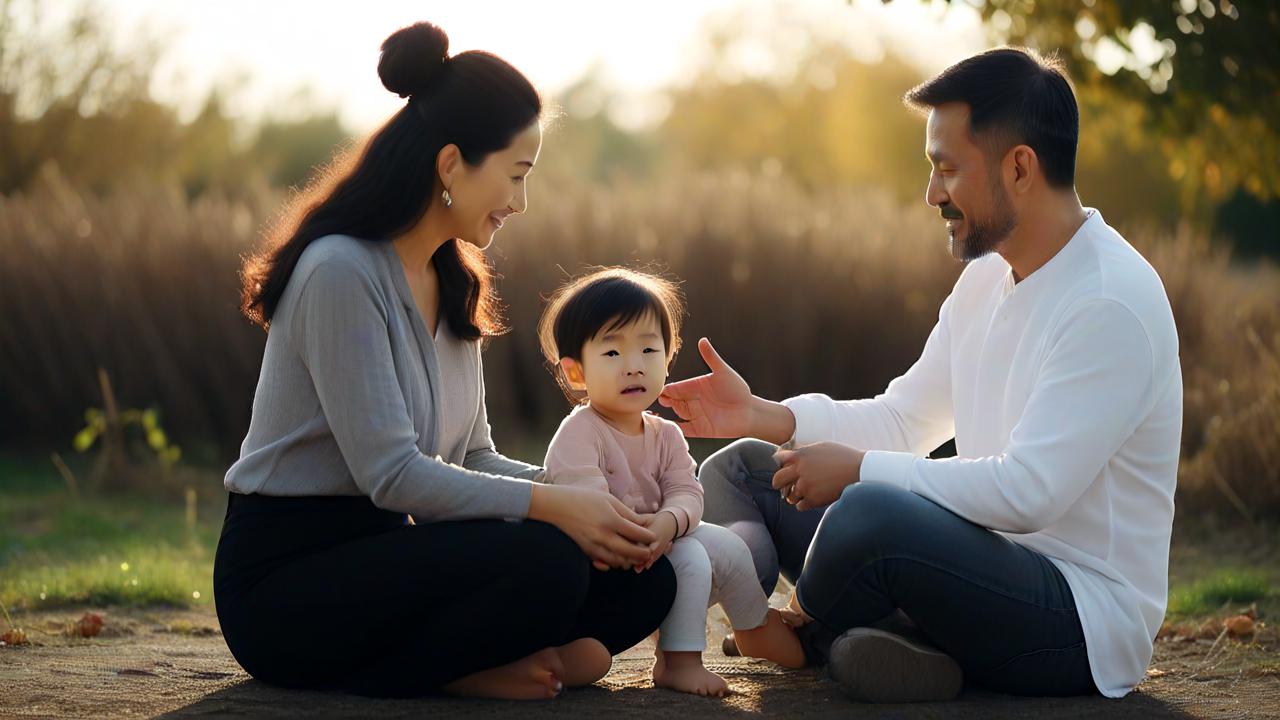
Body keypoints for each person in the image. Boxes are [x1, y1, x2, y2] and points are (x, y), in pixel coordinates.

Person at [661, 47, 1182, 703]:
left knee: (870, 509)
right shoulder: (986, 280)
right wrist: (765, 415)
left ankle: (816, 639)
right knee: (740, 472)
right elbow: (904, 419)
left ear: (1020, 167)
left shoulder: (1107, 301)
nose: (931, 193)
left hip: (1076, 620)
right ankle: (892, 641)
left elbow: (1029, 492)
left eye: (947, 169)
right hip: (974, 563)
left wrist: (859, 470)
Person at [214, 21, 675, 700]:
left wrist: (599, 502)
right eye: (516, 175)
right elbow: (392, 475)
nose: (520, 203)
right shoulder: (339, 271)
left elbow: (476, 455)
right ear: (452, 163)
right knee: (548, 559)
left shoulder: (454, 279)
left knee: (644, 575)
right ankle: (455, 671)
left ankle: (483, 656)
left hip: (391, 557)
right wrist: (555, 508)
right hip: (288, 582)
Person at [539, 268, 805, 697]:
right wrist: (643, 533)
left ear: (667, 359)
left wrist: (668, 522)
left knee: (730, 547)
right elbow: (585, 504)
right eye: (612, 354)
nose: (633, 367)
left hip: (659, 536)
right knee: (692, 560)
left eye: (648, 350)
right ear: (576, 373)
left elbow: (687, 491)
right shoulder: (580, 433)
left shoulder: (665, 435)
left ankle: (753, 625)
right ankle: (677, 661)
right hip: (608, 559)